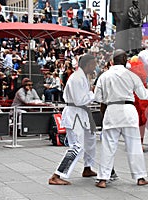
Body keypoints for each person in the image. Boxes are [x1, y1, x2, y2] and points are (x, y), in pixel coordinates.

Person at [94, 49, 148, 188]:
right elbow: (143, 95)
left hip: (112, 110)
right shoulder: (132, 75)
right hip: (129, 111)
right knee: (134, 146)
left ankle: (103, 178)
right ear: (126, 61)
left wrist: (108, 97)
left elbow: (97, 97)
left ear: (112, 61)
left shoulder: (104, 76)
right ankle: (140, 177)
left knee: (108, 146)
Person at [48, 54, 98, 185]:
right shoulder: (76, 78)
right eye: (93, 64)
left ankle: (87, 167)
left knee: (90, 139)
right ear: (86, 65)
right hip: (74, 113)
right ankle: (57, 174)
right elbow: (79, 100)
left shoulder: (83, 77)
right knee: (77, 145)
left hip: (82, 113)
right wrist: (93, 94)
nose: (95, 67)